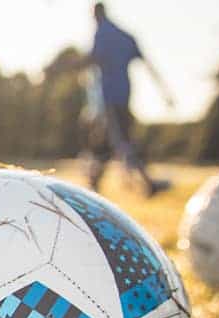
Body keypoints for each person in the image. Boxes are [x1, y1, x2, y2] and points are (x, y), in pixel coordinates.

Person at [58, 3, 175, 196]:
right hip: (123, 96)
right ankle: (98, 183)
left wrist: (66, 67)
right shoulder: (125, 35)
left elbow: (93, 59)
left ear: (96, 15)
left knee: (120, 141)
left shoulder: (103, 33)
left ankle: (145, 183)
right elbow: (147, 63)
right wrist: (165, 92)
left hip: (110, 98)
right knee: (108, 141)